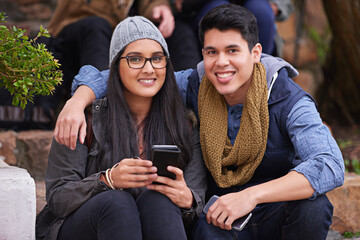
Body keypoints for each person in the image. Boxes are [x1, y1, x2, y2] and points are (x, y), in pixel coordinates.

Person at [53, 4, 344, 240]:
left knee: (314, 208)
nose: (221, 63)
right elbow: (132, 76)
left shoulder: (288, 100)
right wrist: (77, 101)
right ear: (202, 53)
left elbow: (329, 163)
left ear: (256, 53)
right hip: (220, 219)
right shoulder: (197, 83)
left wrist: (251, 196)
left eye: (232, 50)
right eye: (211, 52)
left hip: (271, 209)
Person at [35, 16, 207, 240]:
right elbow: (58, 199)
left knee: (158, 199)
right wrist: (107, 180)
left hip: (155, 223)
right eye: (135, 59)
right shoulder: (84, 118)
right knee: (117, 201)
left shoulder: (184, 123)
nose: (148, 69)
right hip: (86, 227)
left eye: (157, 58)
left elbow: (197, 201)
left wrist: (187, 199)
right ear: (116, 66)